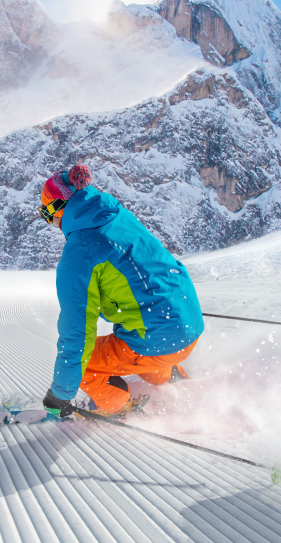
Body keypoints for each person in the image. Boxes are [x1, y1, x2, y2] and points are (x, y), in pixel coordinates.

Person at [40, 163, 204, 418]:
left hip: (159, 340)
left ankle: (119, 407)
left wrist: (60, 394)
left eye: (48, 215)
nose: (53, 224)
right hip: (189, 324)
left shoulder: (80, 248)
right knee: (135, 342)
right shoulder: (119, 217)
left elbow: (78, 333)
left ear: (59, 208)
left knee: (87, 364)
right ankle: (171, 376)